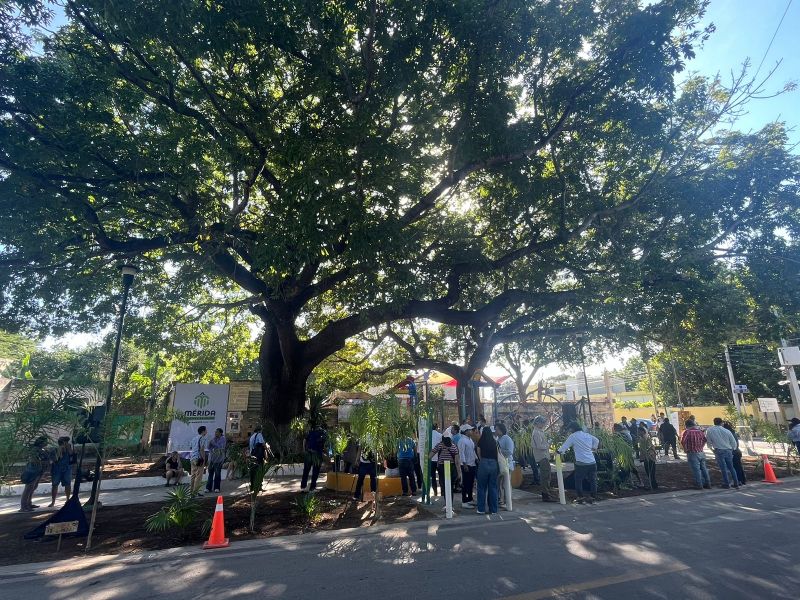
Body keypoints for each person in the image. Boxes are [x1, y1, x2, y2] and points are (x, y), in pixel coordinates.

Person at [558, 422, 599, 504]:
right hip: (592, 462)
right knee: (593, 480)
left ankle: (580, 497)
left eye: (570, 429)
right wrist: (594, 448)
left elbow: (564, 447)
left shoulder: (573, 436)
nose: (569, 431)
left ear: (572, 429)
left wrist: (558, 452)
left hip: (581, 463)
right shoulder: (586, 435)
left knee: (578, 480)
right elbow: (597, 440)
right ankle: (593, 496)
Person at [705, 417, 740, 489]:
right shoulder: (727, 431)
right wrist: (733, 449)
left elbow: (709, 442)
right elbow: (733, 442)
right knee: (731, 467)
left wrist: (712, 450)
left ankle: (726, 483)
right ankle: (736, 482)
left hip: (718, 450)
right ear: (721, 423)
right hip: (728, 450)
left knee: (723, 468)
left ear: (714, 422)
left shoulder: (710, 430)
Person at [19, 436, 48, 512]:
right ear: (41, 442)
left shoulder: (41, 450)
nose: (47, 442)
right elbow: (33, 460)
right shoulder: (34, 450)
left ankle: (29, 503)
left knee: (33, 487)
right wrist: (44, 462)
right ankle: (23, 506)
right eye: (45, 441)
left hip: (38, 471)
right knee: (28, 488)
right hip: (32, 471)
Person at [680, 419, 711, 489]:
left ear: (686, 425)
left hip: (692, 453)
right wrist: (701, 447)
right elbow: (704, 440)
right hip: (701, 452)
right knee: (704, 469)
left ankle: (699, 485)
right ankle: (708, 483)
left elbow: (683, 441)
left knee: (696, 470)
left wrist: (685, 449)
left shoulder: (687, 432)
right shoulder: (700, 432)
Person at [431, 430, 461, 501]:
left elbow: (431, 454)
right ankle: (450, 504)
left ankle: (447, 503)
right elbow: (457, 462)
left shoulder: (439, 445)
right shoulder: (453, 446)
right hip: (451, 467)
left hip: (442, 467)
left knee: (444, 485)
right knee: (450, 486)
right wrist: (459, 473)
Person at [475, 426, 499, 514]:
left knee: (481, 487)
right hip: (493, 464)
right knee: (493, 487)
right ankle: (494, 510)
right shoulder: (494, 441)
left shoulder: (480, 441)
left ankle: (481, 509)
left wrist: (482, 461)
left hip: (484, 463)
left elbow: (478, 453)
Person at [531, 416, 555, 502]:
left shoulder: (539, 432)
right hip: (542, 456)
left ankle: (547, 493)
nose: (544, 424)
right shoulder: (536, 433)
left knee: (547, 475)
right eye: (542, 422)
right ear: (537, 423)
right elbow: (539, 446)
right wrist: (548, 444)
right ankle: (546, 494)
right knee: (545, 476)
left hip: (544, 456)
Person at [300, 424, 327, 492]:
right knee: (313, 471)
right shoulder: (322, 433)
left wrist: (304, 450)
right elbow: (325, 444)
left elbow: (304, 440)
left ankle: (305, 487)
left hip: (312, 453)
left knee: (308, 471)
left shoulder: (313, 432)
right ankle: (309, 487)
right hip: (315, 454)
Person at [48, 436, 73, 507]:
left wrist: (68, 448)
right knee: (55, 484)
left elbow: (71, 455)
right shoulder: (55, 449)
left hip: (66, 468)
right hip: (57, 469)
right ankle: (53, 501)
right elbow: (55, 459)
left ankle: (68, 499)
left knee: (67, 484)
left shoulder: (68, 448)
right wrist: (59, 451)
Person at [457, 424, 477, 506]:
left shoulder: (470, 440)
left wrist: (476, 459)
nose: (471, 431)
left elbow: (473, 451)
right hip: (466, 465)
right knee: (465, 483)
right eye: (469, 430)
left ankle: (470, 498)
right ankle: (464, 501)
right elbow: (461, 453)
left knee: (471, 482)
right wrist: (464, 464)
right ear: (466, 431)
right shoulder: (462, 440)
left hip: (472, 464)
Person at [496, 422, 514, 508]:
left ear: (501, 430)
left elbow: (510, 452)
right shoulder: (497, 439)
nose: (495, 431)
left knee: (505, 483)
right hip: (500, 464)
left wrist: (499, 451)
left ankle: (507, 501)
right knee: (500, 484)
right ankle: (502, 500)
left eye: (497, 429)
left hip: (507, 464)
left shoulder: (507, 439)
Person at [205, 428, 227, 493]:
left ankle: (217, 488)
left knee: (217, 474)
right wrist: (210, 443)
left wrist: (213, 443)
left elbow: (220, 447)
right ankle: (208, 488)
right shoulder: (214, 439)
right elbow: (209, 447)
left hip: (219, 460)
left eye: (217, 432)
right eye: (215, 432)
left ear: (220, 433)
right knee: (210, 474)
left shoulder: (223, 439)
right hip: (212, 459)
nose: (215, 433)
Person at [638, 425, 658, 489]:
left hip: (649, 458)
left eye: (639, 431)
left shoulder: (647, 438)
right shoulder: (641, 439)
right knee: (648, 472)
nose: (638, 433)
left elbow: (649, 447)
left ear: (643, 432)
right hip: (646, 458)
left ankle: (653, 485)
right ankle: (652, 485)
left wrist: (649, 456)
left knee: (651, 472)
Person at [189, 425, 208, 494]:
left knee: (193, 476)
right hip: (199, 459)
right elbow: (202, 450)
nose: (206, 431)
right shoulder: (202, 438)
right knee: (199, 476)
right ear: (203, 431)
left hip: (192, 458)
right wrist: (204, 460)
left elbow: (191, 447)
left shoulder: (194, 438)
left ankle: (191, 491)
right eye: (206, 430)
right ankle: (196, 492)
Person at [428, 423, 443, 496]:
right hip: (439, 459)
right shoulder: (440, 435)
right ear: (437, 428)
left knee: (433, 476)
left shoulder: (428, 436)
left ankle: (435, 492)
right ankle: (443, 491)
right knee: (441, 476)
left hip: (431, 459)